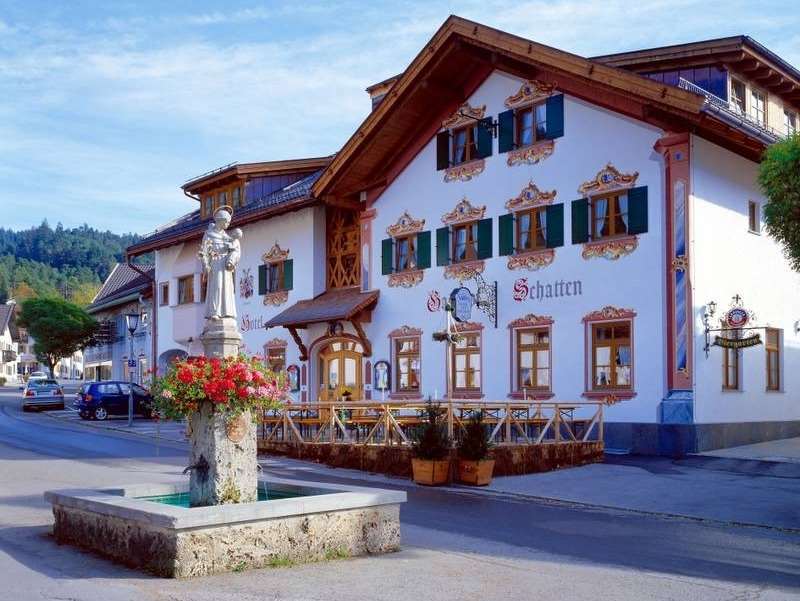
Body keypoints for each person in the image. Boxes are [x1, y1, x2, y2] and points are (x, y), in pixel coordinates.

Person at [198, 208, 241, 320]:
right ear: (220, 220)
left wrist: (232, 258)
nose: (228, 224)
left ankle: (227, 312)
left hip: (226, 266)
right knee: (216, 287)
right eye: (226, 222)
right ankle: (214, 312)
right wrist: (205, 265)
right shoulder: (209, 235)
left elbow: (235, 250)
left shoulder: (228, 237)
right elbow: (203, 252)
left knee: (227, 288)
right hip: (215, 263)